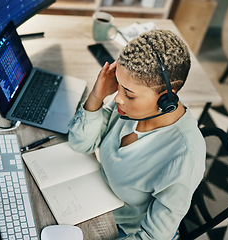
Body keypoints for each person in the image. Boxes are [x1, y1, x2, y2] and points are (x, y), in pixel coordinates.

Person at [68, 29, 206, 239]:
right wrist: (97, 95)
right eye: (119, 86)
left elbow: (152, 237)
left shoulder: (184, 157)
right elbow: (80, 144)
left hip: (121, 228)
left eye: (129, 95)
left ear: (166, 100)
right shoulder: (130, 109)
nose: (117, 99)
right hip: (93, 196)